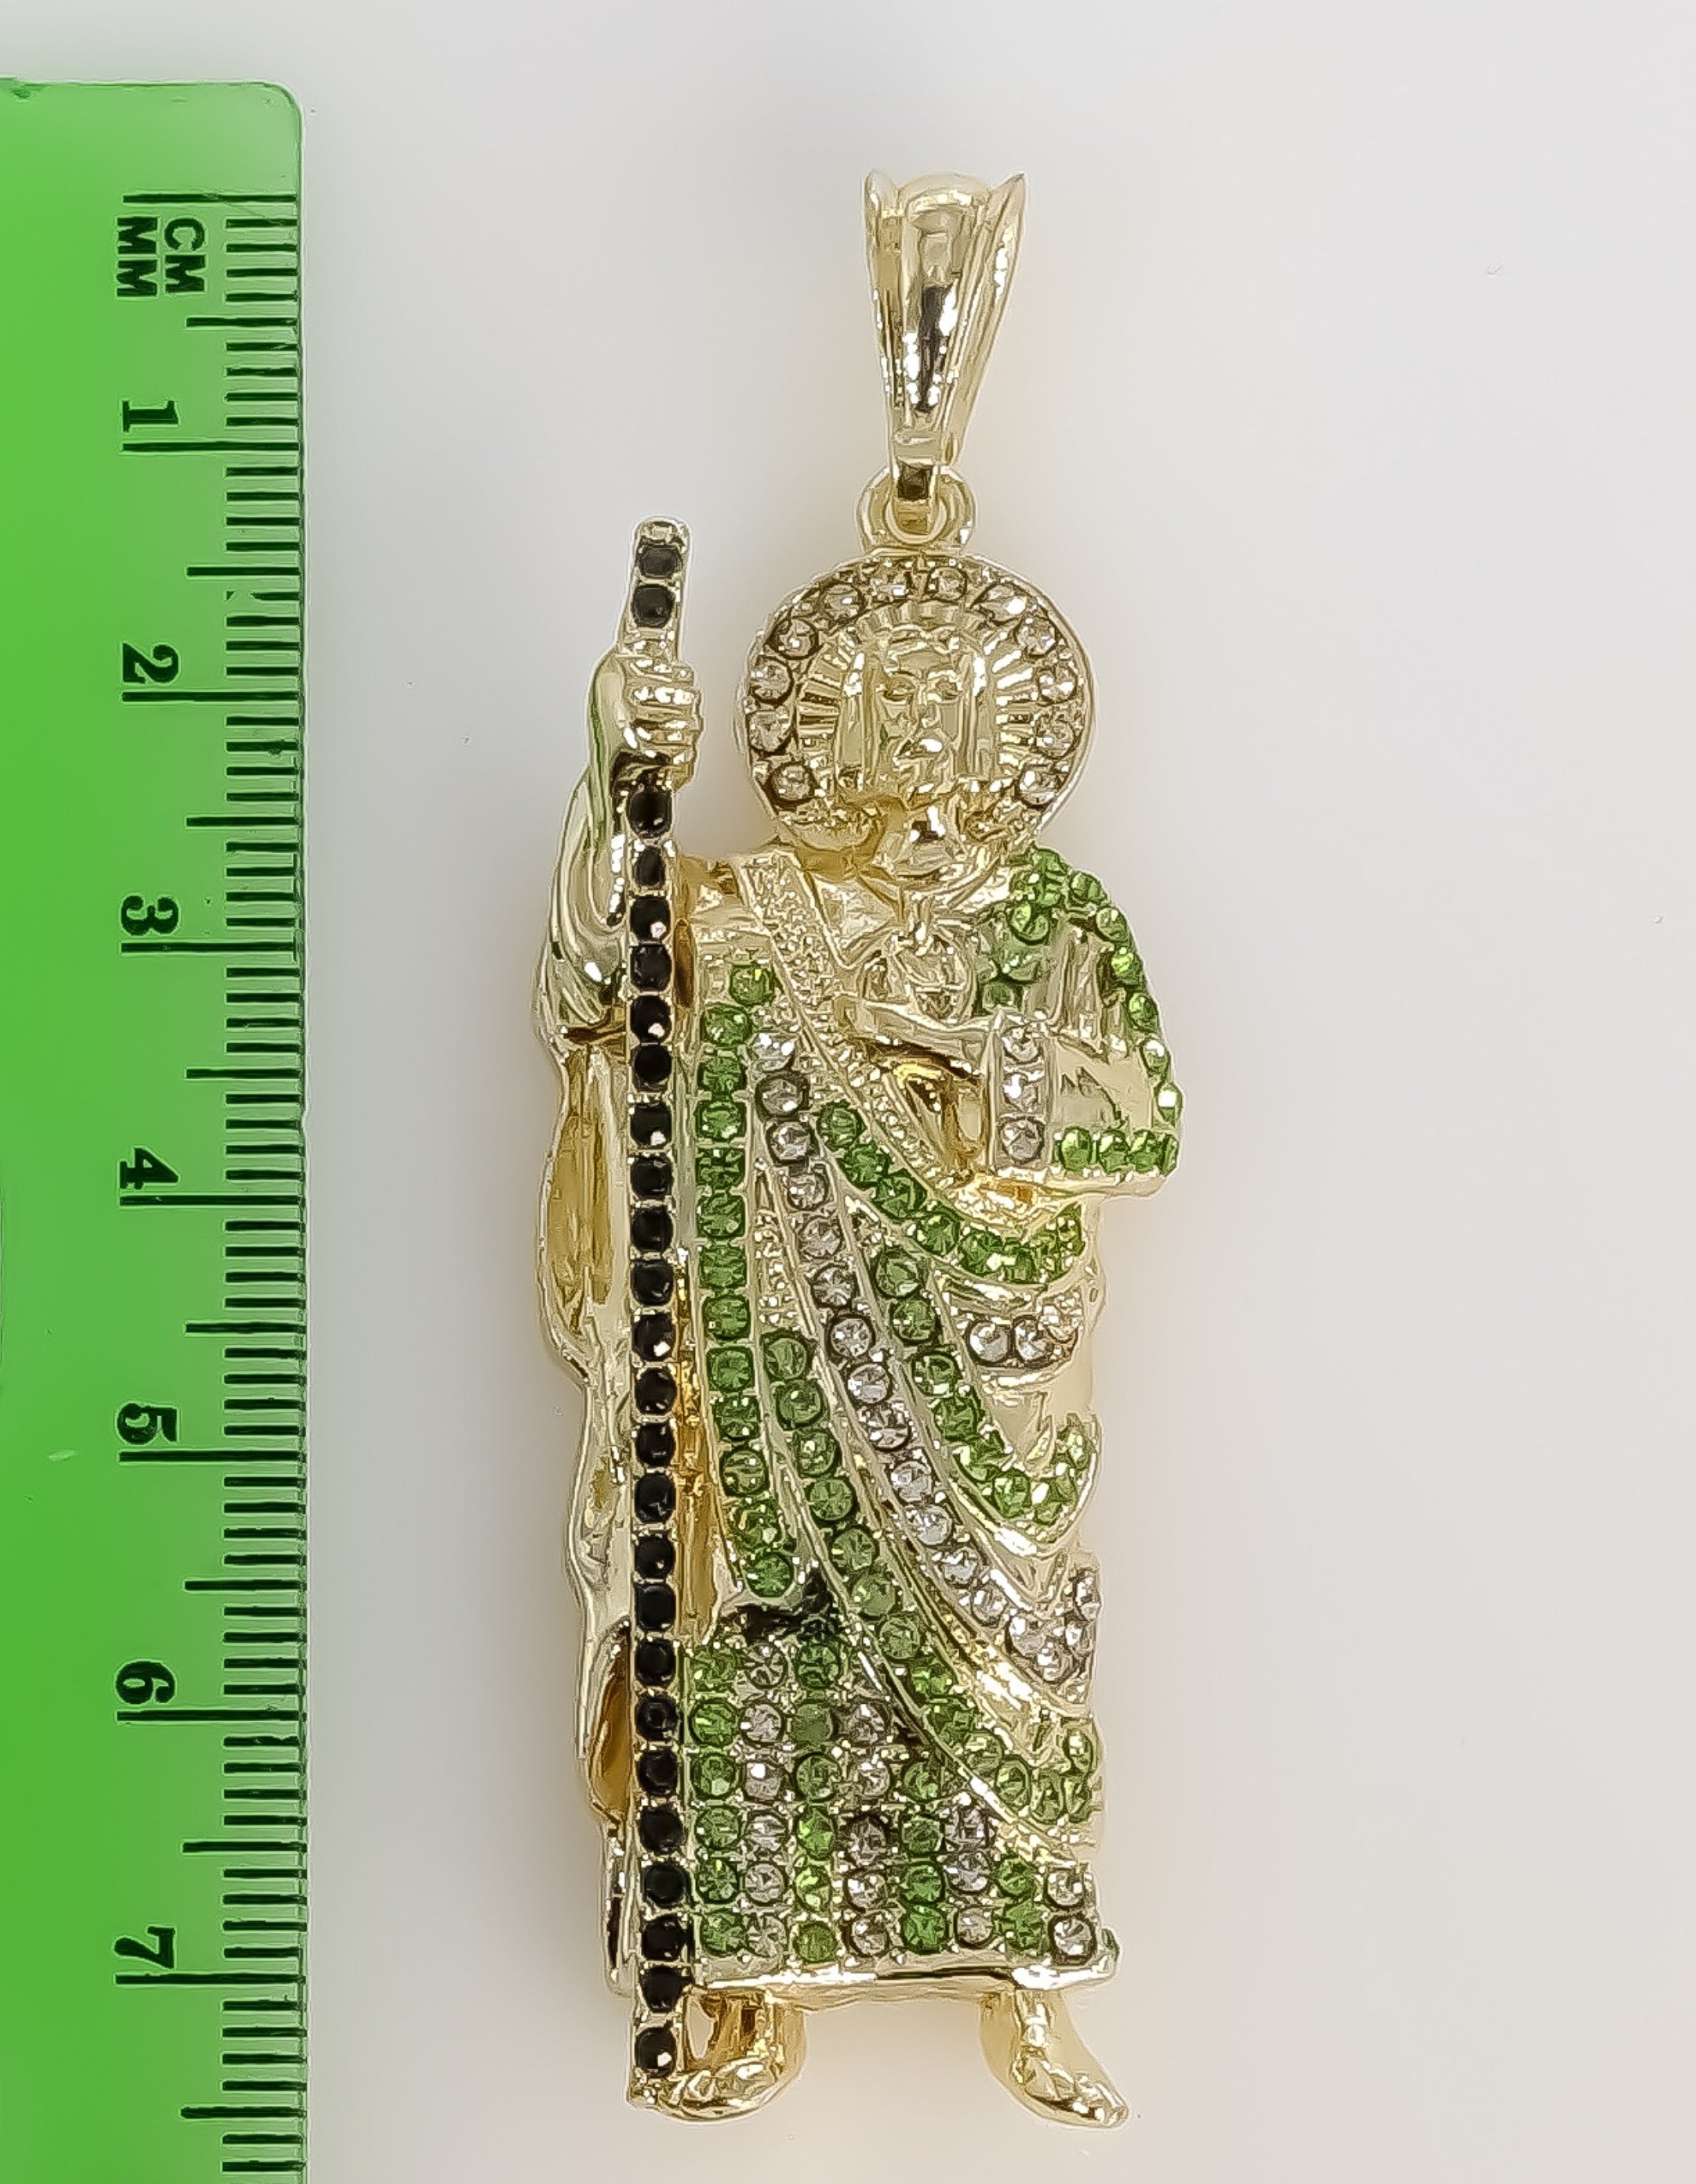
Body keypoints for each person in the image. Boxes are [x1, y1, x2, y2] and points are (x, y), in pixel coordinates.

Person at [536, 546, 1181, 2124]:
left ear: (1002, 727)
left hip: (993, 1354)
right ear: (830, 724)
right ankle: (749, 1989)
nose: (917, 727)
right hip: (769, 1366)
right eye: (884, 698)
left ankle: (1025, 1985)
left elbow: (1138, 1118)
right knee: (766, 1626)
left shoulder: (1051, 910)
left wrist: (956, 1057)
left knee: (1006, 1647)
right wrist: (617, 767)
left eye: (949, 700)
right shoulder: (751, 906)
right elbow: (600, 980)